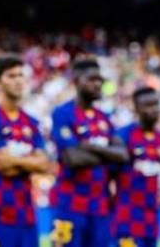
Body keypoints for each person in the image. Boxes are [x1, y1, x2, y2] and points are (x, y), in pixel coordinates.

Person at [50, 57, 129, 247]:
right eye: (92, 79)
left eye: (100, 80)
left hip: (100, 207)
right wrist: (106, 153)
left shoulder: (105, 118)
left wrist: (89, 146)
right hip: (69, 205)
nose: (98, 84)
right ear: (77, 80)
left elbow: (123, 155)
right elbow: (72, 158)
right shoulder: (63, 113)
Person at [0, 54, 50, 247]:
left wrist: (16, 161)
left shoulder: (31, 122)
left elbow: (45, 164)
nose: (18, 81)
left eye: (20, 75)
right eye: (11, 76)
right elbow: (2, 165)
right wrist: (29, 161)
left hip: (26, 214)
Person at [113, 86, 160, 247]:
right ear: (136, 108)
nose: (153, 110)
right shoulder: (123, 136)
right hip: (127, 217)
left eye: (156, 104)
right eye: (147, 105)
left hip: (151, 219)